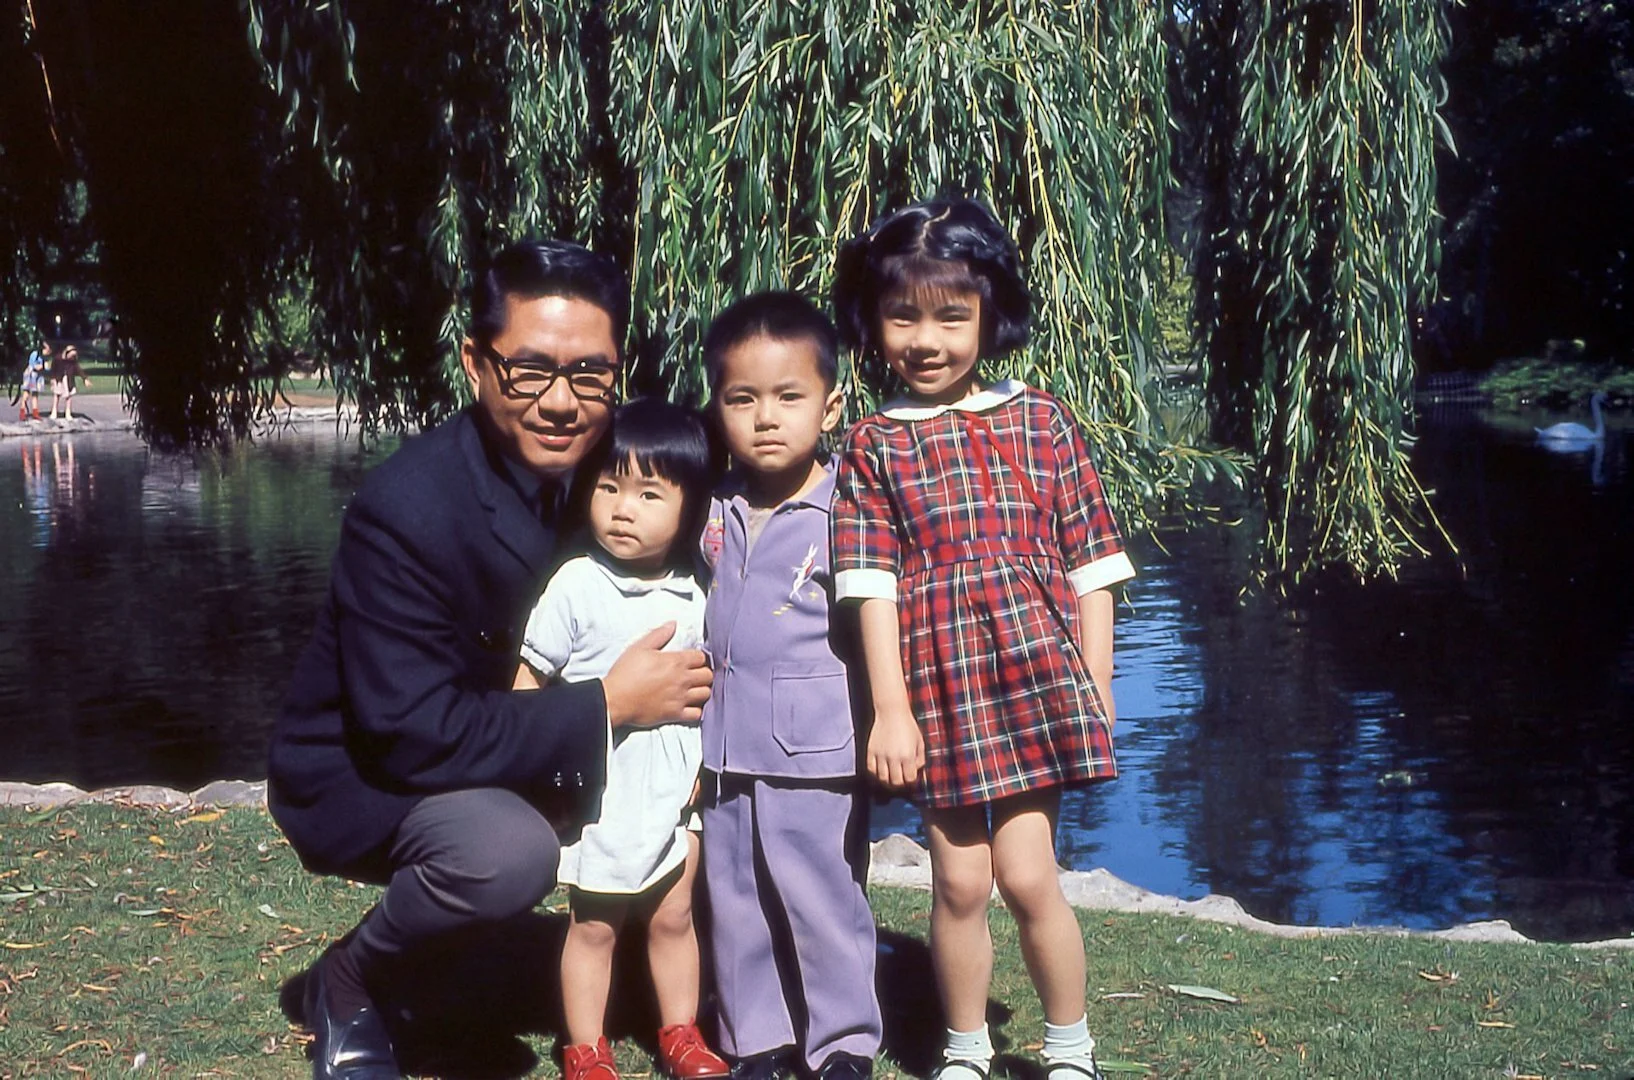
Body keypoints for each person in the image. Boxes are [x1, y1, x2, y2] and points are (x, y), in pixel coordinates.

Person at [267, 238, 713, 1080]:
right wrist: (608, 707)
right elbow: (410, 730)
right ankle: (349, 980)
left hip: (512, 734)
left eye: (590, 374)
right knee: (507, 855)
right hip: (371, 769)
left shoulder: (612, 475)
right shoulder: (406, 511)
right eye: (530, 370)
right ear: (477, 362)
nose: (560, 402)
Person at [829, 198, 1135, 1080]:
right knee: (959, 882)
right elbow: (871, 587)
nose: (926, 339)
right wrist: (890, 709)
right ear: (873, 322)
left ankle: (1070, 1048)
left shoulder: (1043, 420)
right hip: (936, 690)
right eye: (903, 316)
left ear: (990, 315)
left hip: (1034, 681)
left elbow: (1093, 562)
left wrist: (1100, 676)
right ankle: (965, 1050)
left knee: (1031, 876)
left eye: (951, 316)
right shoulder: (872, 444)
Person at [514, 398, 730, 1080]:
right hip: (598, 791)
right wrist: (538, 769)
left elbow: (712, 690)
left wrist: (706, 767)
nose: (621, 508)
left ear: (689, 506)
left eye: (647, 493)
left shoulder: (696, 597)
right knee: (595, 924)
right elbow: (529, 686)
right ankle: (585, 1045)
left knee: (674, 917)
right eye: (608, 487)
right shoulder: (577, 585)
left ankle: (680, 1031)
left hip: (673, 792)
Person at [697, 292, 882, 1080]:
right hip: (727, 741)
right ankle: (756, 1041)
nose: (765, 418)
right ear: (717, 407)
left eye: (788, 397)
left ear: (831, 404)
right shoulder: (713, 507)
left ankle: (843, 1044)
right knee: (733, 894)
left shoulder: (849, 509)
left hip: (818, 746)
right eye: (742, 399)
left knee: (821, 899)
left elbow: (884, 624)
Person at [49, 344, 87, 420]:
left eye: (74, 356)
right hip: (59, 379)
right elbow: (53, 368)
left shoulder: (73, 361)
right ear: (67, 352)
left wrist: (84, 378)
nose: (72, 357)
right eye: (71, 355)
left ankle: (68, 412)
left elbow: (78, 369)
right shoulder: (58, 358)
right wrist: (52, 378)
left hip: (69, 379)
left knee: (68, 396)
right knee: (57, 395)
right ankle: (54, 411)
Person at [20, 341, 48, 421]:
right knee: (26, 393)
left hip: (38, 377)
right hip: (30, 375)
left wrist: (45, 367)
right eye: (47, 350)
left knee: (35, 394)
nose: (48, 352)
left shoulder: (44, 357)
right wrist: (38, 366)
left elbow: (46, 368)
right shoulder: (34, 354)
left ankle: (35, 412)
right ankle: (22, 411)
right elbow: (32, 364)